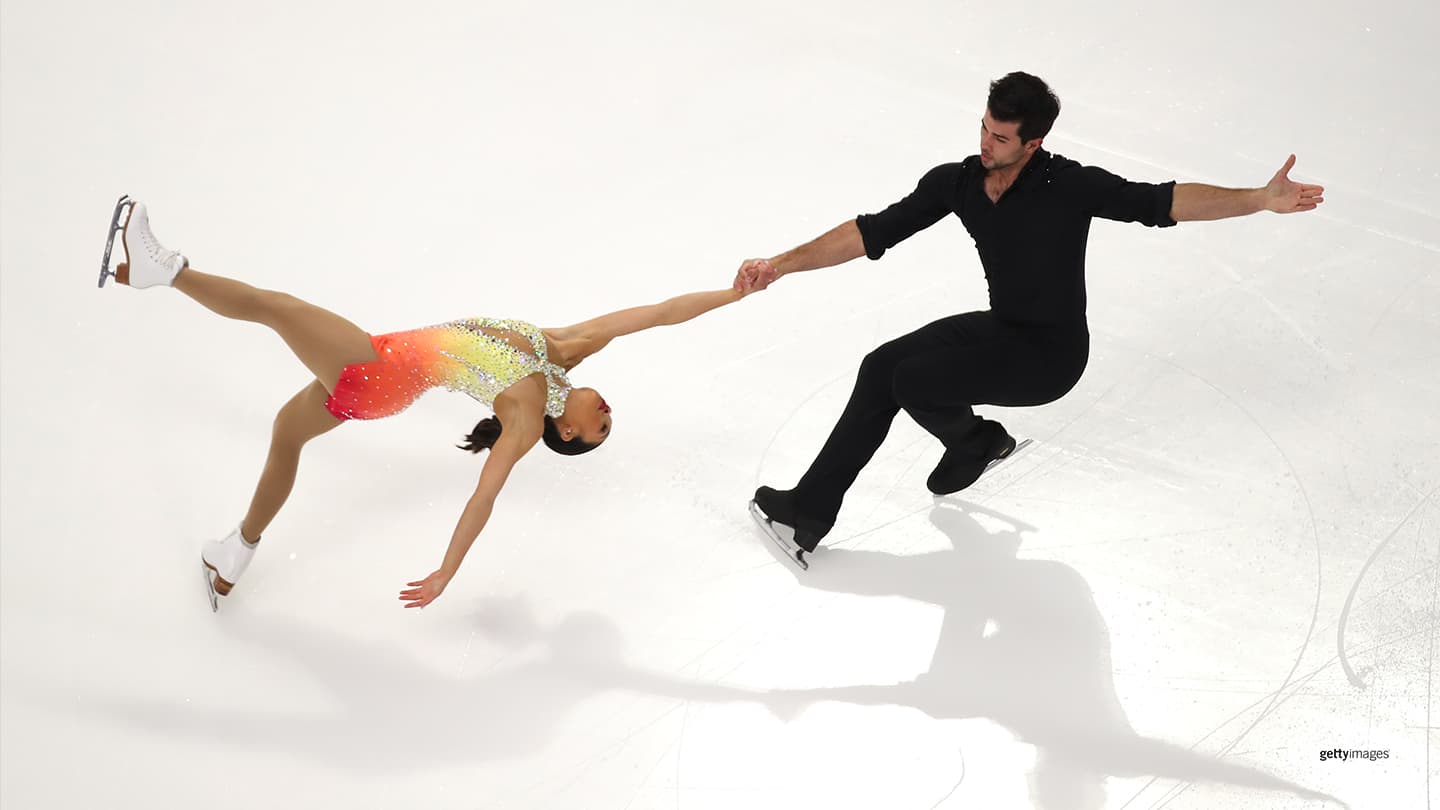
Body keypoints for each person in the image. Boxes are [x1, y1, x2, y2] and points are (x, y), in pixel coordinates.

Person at [735, 71, 1324, 557]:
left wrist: (1259, 200)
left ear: (1032, 143)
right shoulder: (958, 183)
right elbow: (872, 232)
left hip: (1051, 357)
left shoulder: (1068, 186)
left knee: (912, 379)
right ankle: (807, 514)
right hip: (1003, 328)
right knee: (880, 365)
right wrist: (781, 264)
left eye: (1000, 137)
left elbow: (1163, 201)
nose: (985, 143)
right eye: (984, 128)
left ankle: (977, 440)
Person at [100, 198, 766, 609]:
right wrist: (732, 296)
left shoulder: (528, 416)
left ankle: (159, 268)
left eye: (600, 431)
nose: (608, 416)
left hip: (380, 373)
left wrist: (448, 570)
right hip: (384, 370)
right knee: (286, 435)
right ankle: (234, 555)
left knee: (277, 309)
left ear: (569, 431)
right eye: (609, 422)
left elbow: (485, 494)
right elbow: (656, 314)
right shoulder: (566, 350)